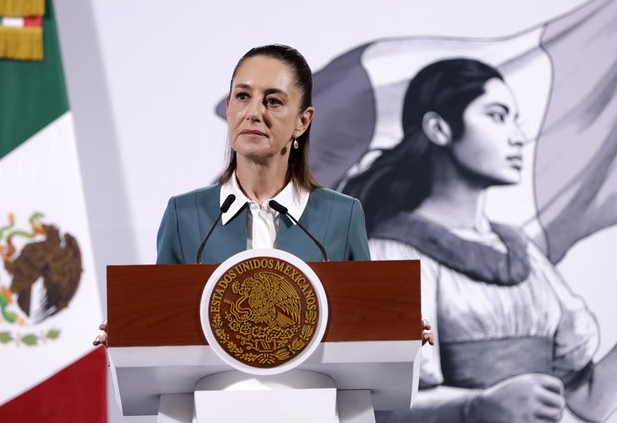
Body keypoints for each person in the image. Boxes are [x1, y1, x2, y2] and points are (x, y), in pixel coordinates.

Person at [343, 58, 617, 423]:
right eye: (497, 116)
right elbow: (373, 409)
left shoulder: (522, 252)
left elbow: (590, 403)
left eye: (515, 119)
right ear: (439, 128)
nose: (516, 136)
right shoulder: (387, 252)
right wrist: (477, 407)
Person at [94, 44, 434, 346]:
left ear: (303, 121)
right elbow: (163, 323)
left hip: (312, 410)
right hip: (216, 410)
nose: (253, 112)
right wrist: (131, 333)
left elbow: (365, 322)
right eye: (243, 97)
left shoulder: (343, 215)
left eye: (273, 101)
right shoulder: (184, 215)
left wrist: (397, 330)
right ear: (229, 109)